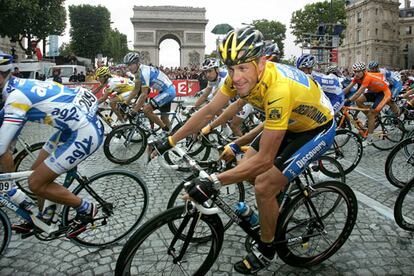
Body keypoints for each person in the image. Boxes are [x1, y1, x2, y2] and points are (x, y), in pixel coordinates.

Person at [152, 26, 335, 274]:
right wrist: (170, 140)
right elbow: (209, 111)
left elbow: (264, 160)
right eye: (230, 69)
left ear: (261, 63)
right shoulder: (241, 78)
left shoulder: (278, 88)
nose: (235, 77)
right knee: (243, 168)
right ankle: (274, 204)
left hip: (316, 129)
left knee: (264, 185)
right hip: (288, 121)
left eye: (242, 68)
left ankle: (268, 249)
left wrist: (214, 182)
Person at [0, 53, 103, 237]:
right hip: (69, 129)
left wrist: (9, 184)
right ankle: (45, 217)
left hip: (84, 132)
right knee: (35, 171)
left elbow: (1, 147)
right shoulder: (15, 88)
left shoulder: (16, 98)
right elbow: (7, 137)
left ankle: (86, 208)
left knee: (35, 182)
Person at [123, 52, 176, 132]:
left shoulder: (144, 72)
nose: (129, 67)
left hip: (168, 92)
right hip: (165, 91)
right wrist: (125, 103)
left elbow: (144, 94)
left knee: (146, 110)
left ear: (137, 63)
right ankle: (169, 134)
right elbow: (136, 89)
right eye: (127, 65)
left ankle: (165, 129)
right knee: (164, 117)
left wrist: (134, 111)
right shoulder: (138, 72)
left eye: (130, 64)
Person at [343, 62, 391, 146]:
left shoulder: (367, 77)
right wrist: (339, 95)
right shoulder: (356, 77)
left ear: (364, 71)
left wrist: (349, 100)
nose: (356, 74)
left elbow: (358, 93)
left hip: (383, 93)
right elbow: (348, 88)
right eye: (355, 71)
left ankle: (370, 139)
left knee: (371, 114)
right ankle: (372, 116)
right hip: (374, 91)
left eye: (358, 72)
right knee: (358, 101)